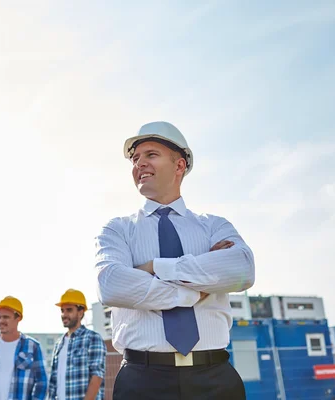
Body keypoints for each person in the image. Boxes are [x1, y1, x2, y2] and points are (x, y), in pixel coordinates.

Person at [95, 121, 255, 399]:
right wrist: (197, 288)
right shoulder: (117, 229)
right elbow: (111, 286)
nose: (139, 164)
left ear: (179, 165)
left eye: (150, 155)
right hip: (142, 381)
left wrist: (155, 267)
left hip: (215, 379)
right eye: (135, 159)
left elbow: (242, 268)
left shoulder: (214, 226)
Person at [0, 296, 47, 400]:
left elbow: (42, 382)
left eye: (6, 317)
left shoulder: (32, 347)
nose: (1, 321)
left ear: (18, 318)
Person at [48, 289, 106, 400]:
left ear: (80, 312)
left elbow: (97, 376)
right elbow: (53, 382)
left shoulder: (93, 338)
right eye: (62, 310)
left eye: (69, 310)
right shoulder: (59, 344)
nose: (64, 314)